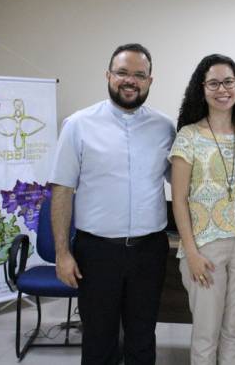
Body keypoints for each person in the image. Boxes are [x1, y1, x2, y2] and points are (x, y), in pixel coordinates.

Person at [50, 43, 175, 365]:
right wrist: (63, 254)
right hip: (97, 251)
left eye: (139, 75)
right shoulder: (78, 124)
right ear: (108, 75)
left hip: (150, 250)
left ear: (150, 80)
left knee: (142, 336)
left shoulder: (165, 127)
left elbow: (182, 182)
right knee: (98, 339)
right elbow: (62, 190)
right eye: (122, 73)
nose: (130, 81)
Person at [170, 54, 235, 365]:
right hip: (204, 250)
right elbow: (179, 199)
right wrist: (192, 252)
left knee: (233, 330)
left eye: (228, 82)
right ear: (203, 88)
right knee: (206, 333)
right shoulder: (189, 136)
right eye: (214, 83)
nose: (222, 89)